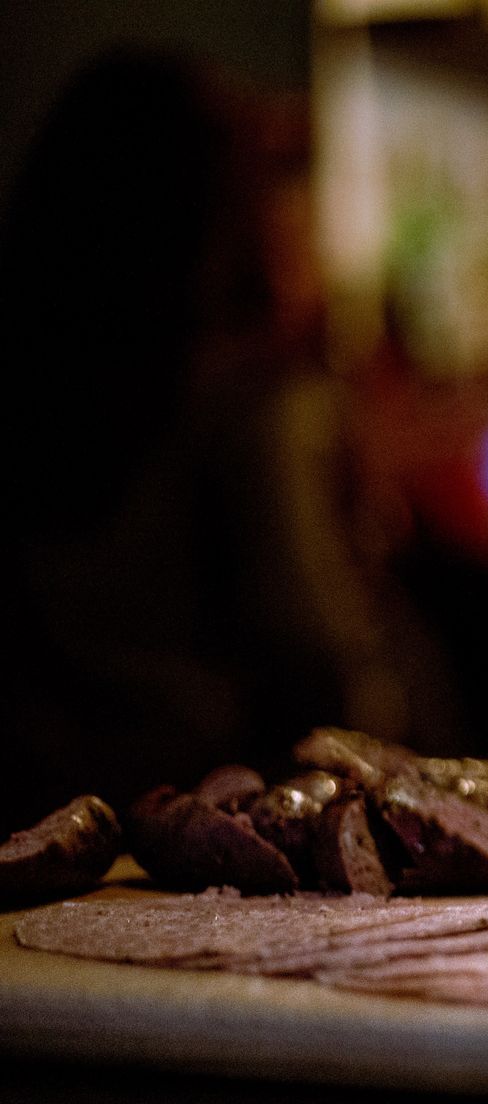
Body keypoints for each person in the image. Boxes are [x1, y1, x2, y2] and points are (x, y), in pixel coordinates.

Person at [0, 51, 453, 829]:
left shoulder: (38, 383)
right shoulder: (261, 408)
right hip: (215, 836)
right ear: (219, 219)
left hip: (47, 831)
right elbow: (323, 667)